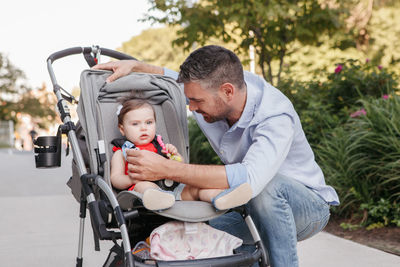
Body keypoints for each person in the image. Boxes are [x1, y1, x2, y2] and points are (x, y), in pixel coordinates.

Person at [94, 45, 339, 267]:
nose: (191, 108)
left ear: (227, 92)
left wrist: (166, 169)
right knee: (187, 233)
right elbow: (173, 80)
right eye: (189, 99)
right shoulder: (214, 88)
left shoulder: (275, 117)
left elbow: (251, 179)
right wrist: (136, 66)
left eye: (196, 101)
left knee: (265, 187)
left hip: (305, 207)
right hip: (250, 206)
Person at [111, 97, 252, 211]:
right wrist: (133, 179)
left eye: (149, 122)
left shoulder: (160, 146)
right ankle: (159, 199)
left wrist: (175, 156)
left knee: (196, 188)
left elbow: (181, 168)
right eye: (135, 124)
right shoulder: (123, 153)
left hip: (173, 190)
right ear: (122, 129)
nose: (143, 128)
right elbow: (115, 179)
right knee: (145, 186)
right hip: (143, 192)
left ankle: (221, 196)